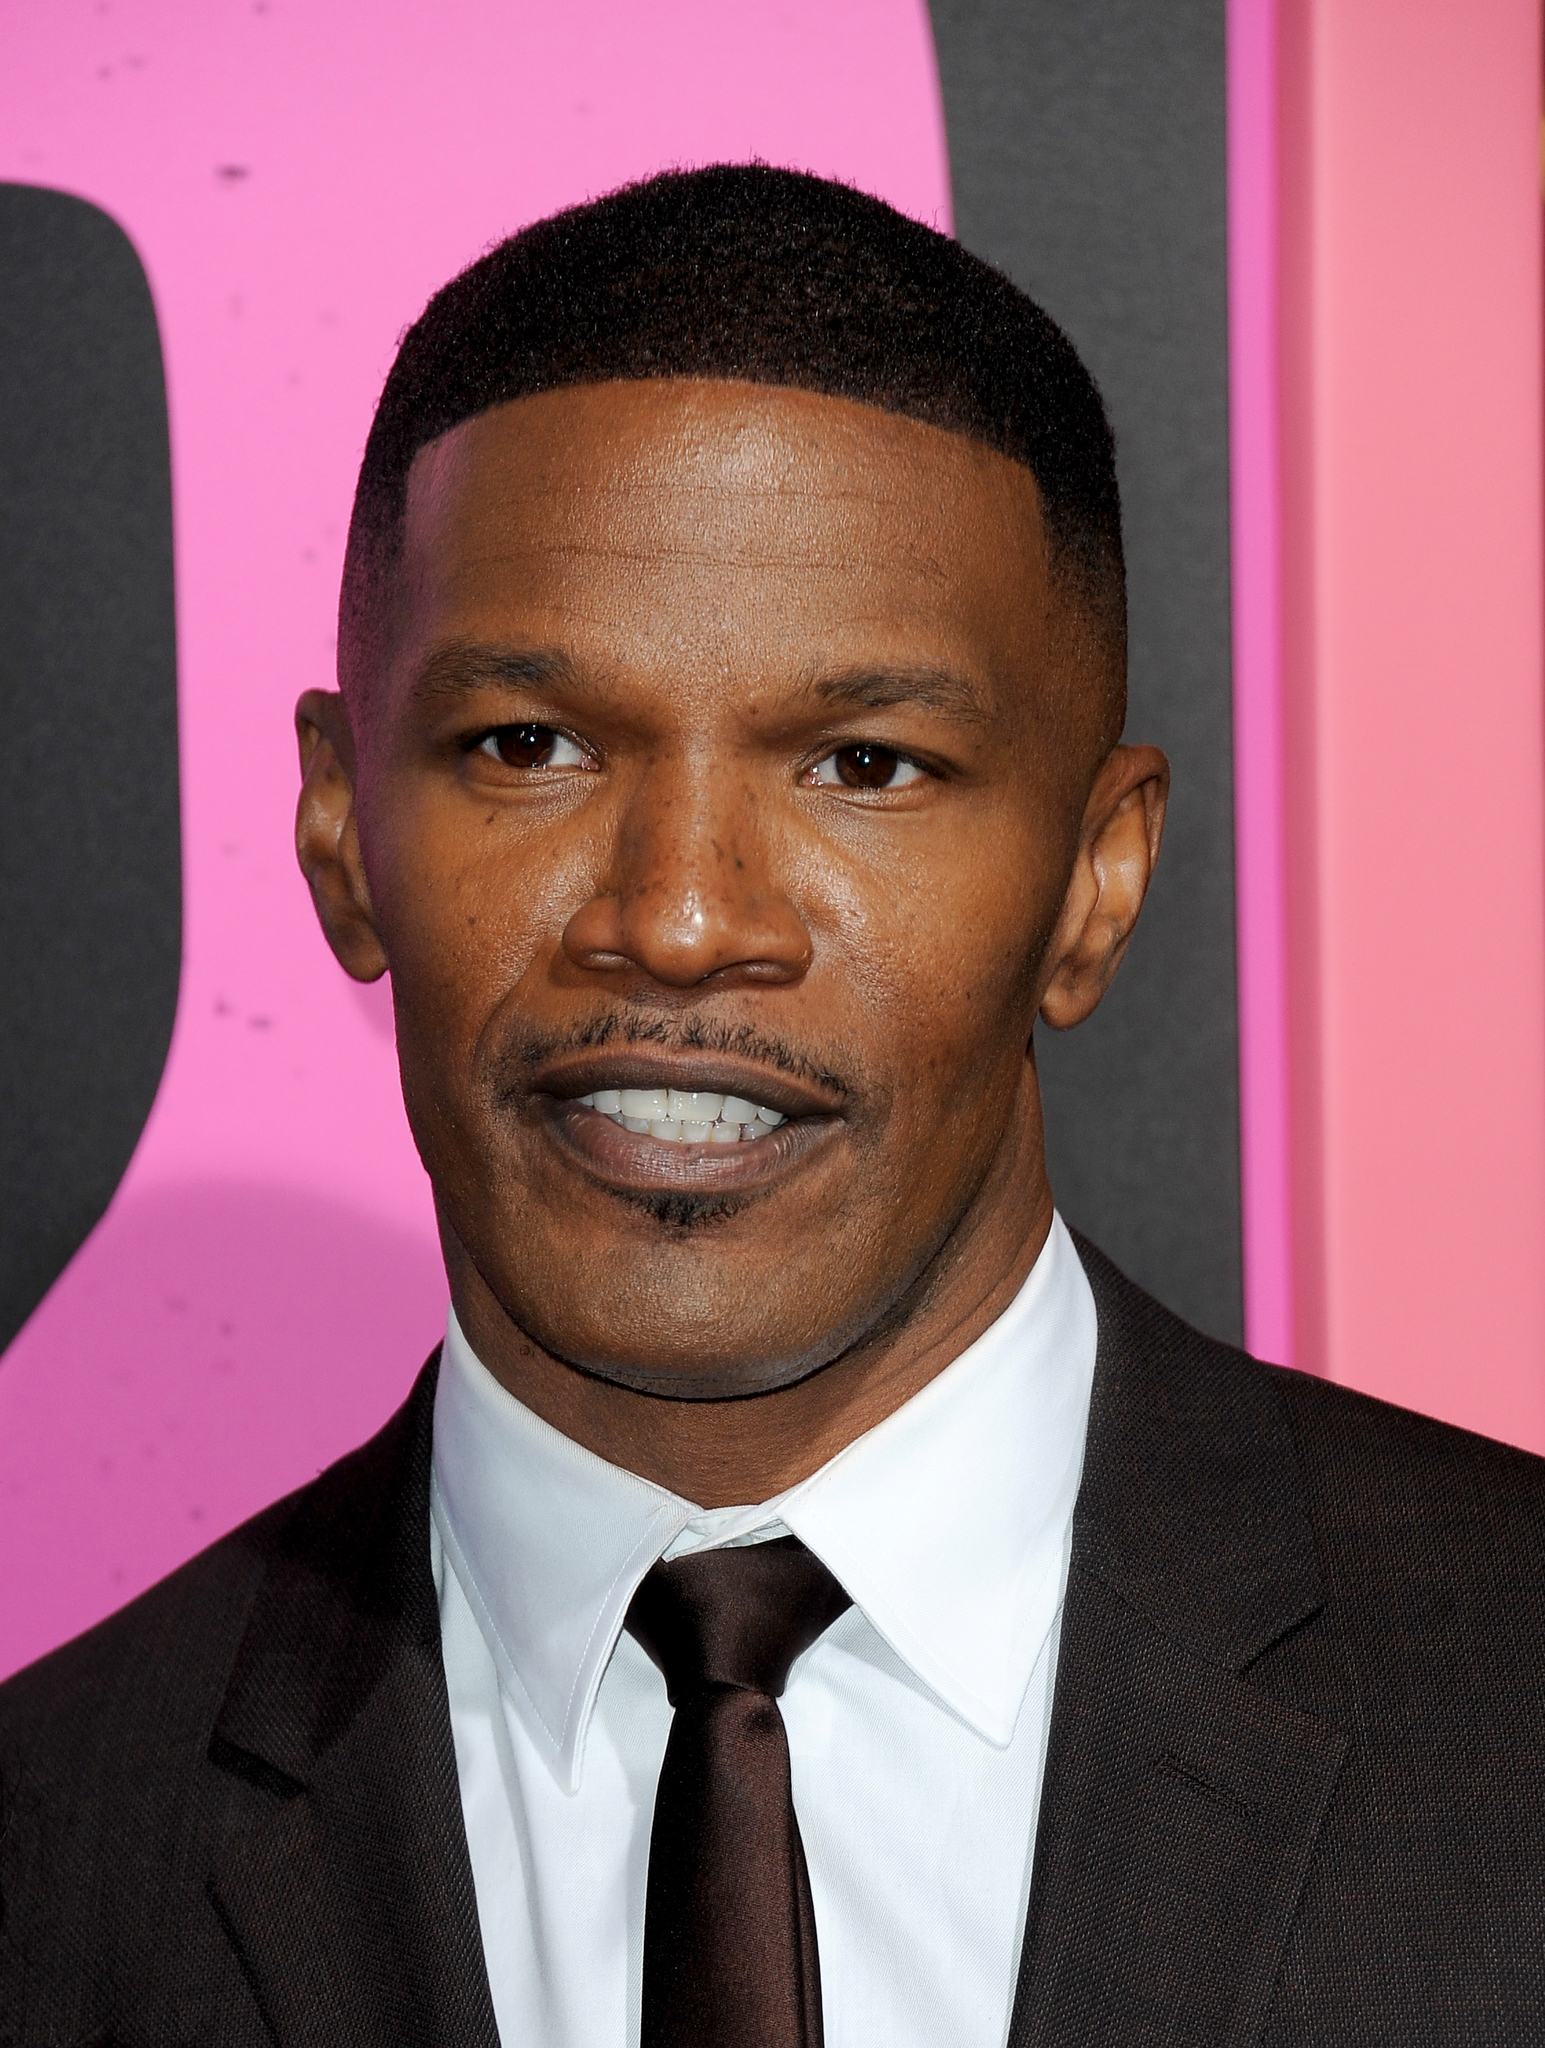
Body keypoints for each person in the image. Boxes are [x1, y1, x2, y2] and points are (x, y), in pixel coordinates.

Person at [3, 164, 1543, 2048]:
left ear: (1095, 881)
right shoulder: (49, 1858)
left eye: (861, 765)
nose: (677, 919)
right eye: (530, 746)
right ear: (341, 832)